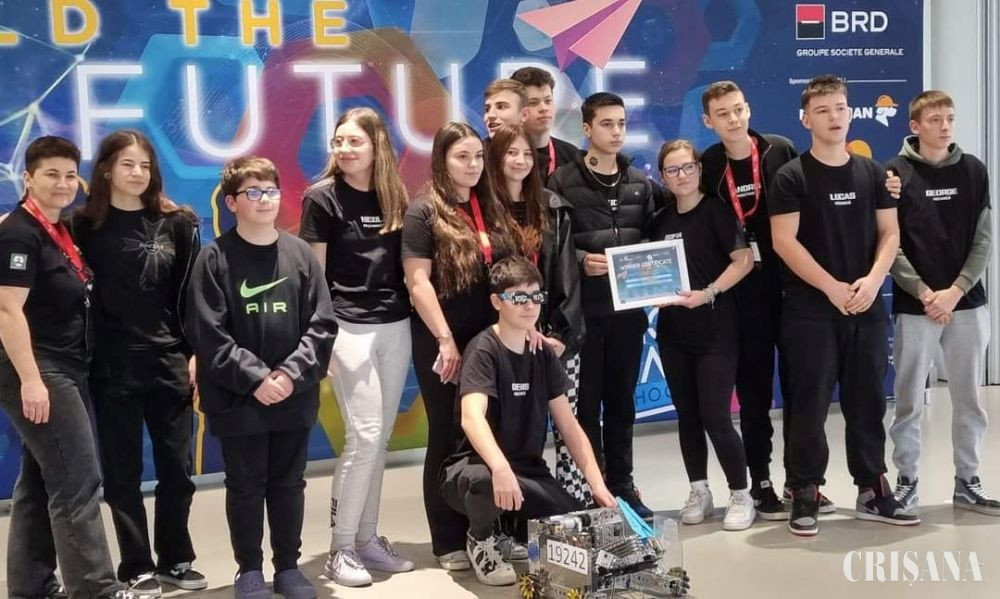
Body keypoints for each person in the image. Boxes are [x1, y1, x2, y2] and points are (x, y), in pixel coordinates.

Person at [769, 75, 917, 536]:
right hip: (810, 310)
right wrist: (831, 287)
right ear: (805, 119)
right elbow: (784, 241)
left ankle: (872, 488)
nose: (833, 117)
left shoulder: (873, 173)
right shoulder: (791, 176)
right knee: (809, 404)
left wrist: (873, 281)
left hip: (866, 307)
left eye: (840, 108)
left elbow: (890, 233)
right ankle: (805, 489)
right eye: (823, 110)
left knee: (868, 401)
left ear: (850, 113)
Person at [185, 156, 337, 599]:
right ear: (232, 202)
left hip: (294, 395)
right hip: (238, 400)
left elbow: (322, 324)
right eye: (253, 192)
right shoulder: (213, 259)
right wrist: (256, 379)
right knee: (246, 486)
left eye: (271, 191)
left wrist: (289, 375)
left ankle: (288, 566)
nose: (265, 199)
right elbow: (208, 334)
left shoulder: (300, 254)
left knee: (289, 484)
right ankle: (248, 570)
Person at [69, 129, 204, 598]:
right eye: (127, 164)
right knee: (122, 473)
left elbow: (192, 297)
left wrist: (194, 353)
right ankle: (136, 565)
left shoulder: (177, 224)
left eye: (145, 165)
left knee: (177, 470)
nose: (137, 173)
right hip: (111, 368)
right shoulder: (81, 227)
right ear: (106, 169)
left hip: (169, 362)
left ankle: (176, 559)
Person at [0, 136, 131, 599]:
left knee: (41, 480)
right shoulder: (19, 233)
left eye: (70, 175)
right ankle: (95, 589)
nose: (62, 183)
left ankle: (31, 585)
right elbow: (7, 310)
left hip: (65, 366)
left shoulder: (57, 229)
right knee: (78, 481)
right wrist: (31, 380)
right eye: (51, 174)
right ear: (28, 178)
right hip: (39, 369)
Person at [440, 256, 616, 586]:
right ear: (497, 301)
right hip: (473, 469)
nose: (530, 305)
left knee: (572, 521)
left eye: (536, 296)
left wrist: (597, 485)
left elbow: (570, 427)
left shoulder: (543, 353)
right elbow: (471, 418)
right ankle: (481, 540)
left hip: (527, 472)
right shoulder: (483, 350)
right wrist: (500, 467)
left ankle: (512, 533)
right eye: (519, 297)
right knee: (484, 481)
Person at [298, 107, 416, 587]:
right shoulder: (321, 198)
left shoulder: (395, 196)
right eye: (339, 141)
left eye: (354, 141)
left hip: (396, 325)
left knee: (379, 440)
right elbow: (313, 278)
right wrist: (322, 339)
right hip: (348, 328)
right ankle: (341, 548)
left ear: (376, 145)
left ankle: (366, 539)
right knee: (363, 437)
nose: (344, 149)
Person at [401, 122, 520, 570]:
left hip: (493, 342)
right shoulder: (423, 212)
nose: (472, 165)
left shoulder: (490, 205)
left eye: (477, 156)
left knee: (493, 432)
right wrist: (445, 339)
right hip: (443, 342)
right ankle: (447, 539)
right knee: (448, 435)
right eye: (461, 157)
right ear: (441, 160)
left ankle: (488, 529)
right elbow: (418, 283)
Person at [886, 90, 1000, 516]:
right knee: (909, 400)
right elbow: (889, 242)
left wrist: (956, 290)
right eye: (935, 120)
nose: (945, 126)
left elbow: (984, 239)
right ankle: (907, 481)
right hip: (916, 306)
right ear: (915, 126)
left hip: (967, 304)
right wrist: (924, 292)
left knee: (969, 399)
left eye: (949, 118)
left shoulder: (973, 170)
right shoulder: (893, 173)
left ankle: (968, 481)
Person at [547, 92, 659, 519]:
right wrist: (579, 260)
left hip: (628, 313)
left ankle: (623, 484)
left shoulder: (639, 183)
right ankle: (592, 489)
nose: (616, 132)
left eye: (621, 123)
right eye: (607, 124)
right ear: (587, 129)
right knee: (586, 404)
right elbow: (550, 243)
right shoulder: (561, 182)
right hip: (583, 316)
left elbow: (654, 239)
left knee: (622, 403)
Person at [698, 81, 800, 520]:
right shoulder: (708, 164)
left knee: (800, 390)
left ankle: (801, 480)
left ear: (749, 109)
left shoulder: (780, 150)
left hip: (792, 287)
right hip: (743, 293)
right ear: (709, 121)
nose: (734, 119)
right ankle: (761, 481)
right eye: (723, 114)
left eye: (738, 109)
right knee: (754, 395)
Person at [651, 140, 755, 530]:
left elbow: (744, 261)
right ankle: (699, 491)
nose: (682, 175)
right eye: (673, 170)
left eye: (688, 167)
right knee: (688, 416)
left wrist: (708, 293)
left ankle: (741, 494)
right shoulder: (659, 220)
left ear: (699, 169)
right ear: (663, 176)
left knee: (716, 416)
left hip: (716, 331)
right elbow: (647, 269)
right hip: (673, 332)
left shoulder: (716, 212)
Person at [485, 123, 589, 504]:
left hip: (553, 340)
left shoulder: (552, 207)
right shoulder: (483, 210)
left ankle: (574, 506)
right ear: (496, 158)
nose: (520, 160)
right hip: (507, 341)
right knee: (511, 431)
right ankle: (513, 511)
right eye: (511, 153)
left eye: (527, 153)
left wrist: (559, 336)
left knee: (567, 427)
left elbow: (567, 277)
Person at [509, 67, 580, 180]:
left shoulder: (572, 155)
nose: (544, 108)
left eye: (548, 101)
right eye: (533, 103)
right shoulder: (503, 156)